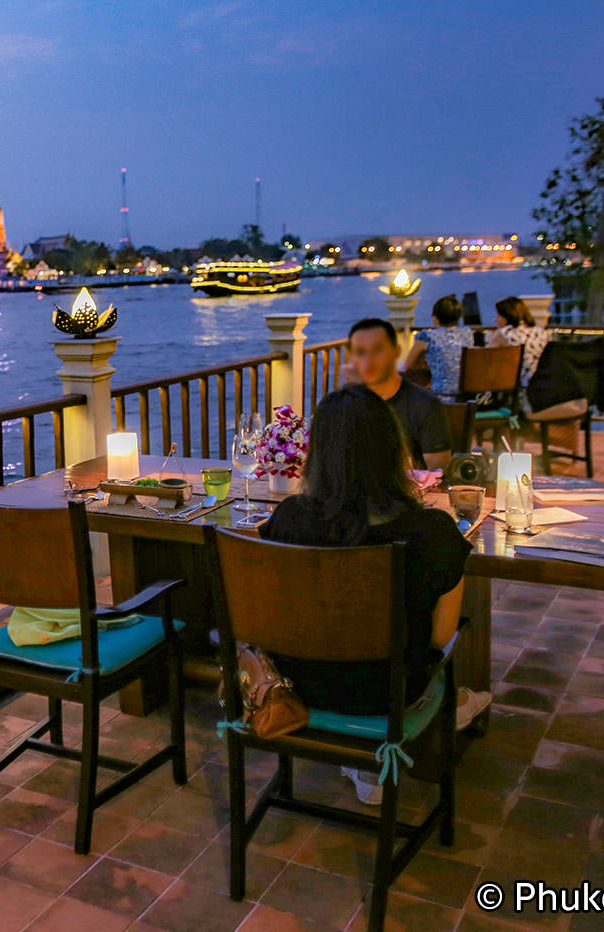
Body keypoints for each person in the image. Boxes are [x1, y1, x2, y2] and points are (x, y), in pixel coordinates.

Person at [258, 386, 490, 804]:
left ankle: (364, 766)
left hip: (298, 684)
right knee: (443, 656)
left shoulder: (288, 519)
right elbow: (440, 639)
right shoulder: (431, 531)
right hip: (390, 694)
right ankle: (446, 715)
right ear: (394, 449)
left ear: (320, 452)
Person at [347, 318, 451, 470]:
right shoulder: (348, 403)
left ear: (395, 352)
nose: (369, 360)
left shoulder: (425, 405)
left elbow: (437, 468)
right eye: (361, 352)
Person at [403, 294, 473, 398]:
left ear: (435, 318)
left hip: (441, 396)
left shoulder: (427, 336)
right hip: (466, 396)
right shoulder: (467, 334)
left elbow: (408, 365)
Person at [487, 296, 550, 389]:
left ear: (509, 316)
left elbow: (485, 359)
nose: (496, 320)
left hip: (513, 386)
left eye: (499, 316)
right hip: (540, 382)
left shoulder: (505, 333)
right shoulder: (541, 332)